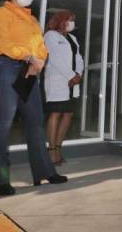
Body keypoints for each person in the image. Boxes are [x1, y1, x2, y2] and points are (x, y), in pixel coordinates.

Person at [0, 0, 67, 196]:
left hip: (30, 69)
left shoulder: (32, 20)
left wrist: (38, 61)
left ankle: (44, 172)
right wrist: (30, 57)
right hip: (4, 67)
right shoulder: (1, 13)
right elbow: (3, 43)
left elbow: (41, 46)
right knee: (4, 122)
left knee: (35, 122)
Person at [44, 10, 84, 165]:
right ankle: (51, 150)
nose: (72, 23)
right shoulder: (51, 35)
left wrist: (78, 74)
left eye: (73, 20)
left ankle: (58, 147)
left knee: (68, 114)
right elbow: (55, 58)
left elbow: (79, 58)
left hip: (72, 82)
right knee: (56, 113)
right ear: (60, 20)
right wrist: (71, 75)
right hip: (58, 80)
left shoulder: (73, 38)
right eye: (69, 19)